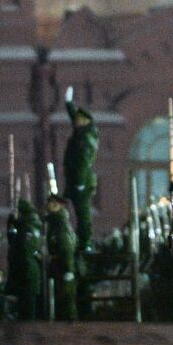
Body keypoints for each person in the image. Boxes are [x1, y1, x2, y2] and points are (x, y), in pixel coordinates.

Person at [64, 92, 98, 253]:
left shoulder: (85, 140)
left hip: (82, 183)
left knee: (83, 214)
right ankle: (83, 242)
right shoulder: (83, 132)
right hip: (77, 181)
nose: (75, 121)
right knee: (79, 213)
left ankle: (86, 243)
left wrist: (80, 183)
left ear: (85, 121)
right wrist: (69, 104)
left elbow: (83, 163)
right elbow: (74, 118)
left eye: (79, 119)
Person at [6, 198, 44, 321]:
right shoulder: (25, 227)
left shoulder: (28, 229)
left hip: (27, 275)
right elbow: (14, 243)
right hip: (24, 274)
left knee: (27, 312)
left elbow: (24, 252)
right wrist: (11, 227)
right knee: (23, 309)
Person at [44, 194, 78, 321]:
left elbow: (66, 247)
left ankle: (69, 325)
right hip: (59, 266)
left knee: (66, 298)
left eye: (51, 204)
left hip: (62, 267)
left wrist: (68, 269)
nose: (48, 206)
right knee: (62, 298)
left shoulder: (60, 224)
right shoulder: (55, 222)